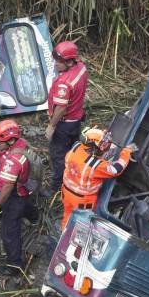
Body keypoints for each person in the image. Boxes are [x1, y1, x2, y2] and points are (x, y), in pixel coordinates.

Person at [0, 120, 39, 277]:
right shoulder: (22, 144)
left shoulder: (13, 161)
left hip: (14, 196)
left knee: (9, 232)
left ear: (10, 140)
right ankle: (35, 217)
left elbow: (8, 187)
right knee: (26, 206)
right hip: (23, 190)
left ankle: (15, 265)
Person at [61, 128, 137, 230]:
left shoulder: (77, 147)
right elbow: (116, 170)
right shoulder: (95, 165)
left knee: (67, 216)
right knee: (81, 224)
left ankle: (64, 233)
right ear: (95, 147)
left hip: (66, 192)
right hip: (82, 201)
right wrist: (126, 152)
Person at [45, 41, 89, 194]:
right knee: (73, 152)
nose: (56, 64)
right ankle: (74, 177)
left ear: (70, 62)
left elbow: (61, 107)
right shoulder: (81, 68)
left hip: (63, 126)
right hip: (76, 120)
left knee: (58, 157)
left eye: (59, 62)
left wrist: (51, 126)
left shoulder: (64, 83)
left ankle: (58, 189)